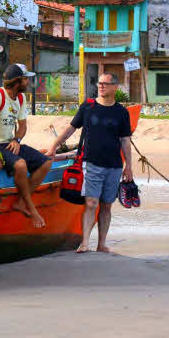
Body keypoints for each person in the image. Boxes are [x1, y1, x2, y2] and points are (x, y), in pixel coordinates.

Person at [45, 73, 133, 253]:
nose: (101, 86)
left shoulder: (121, 112)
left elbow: (125, 140)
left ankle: (101, 244)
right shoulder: (88, 106)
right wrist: (54, 146)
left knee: (106, 205)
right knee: (91, 202)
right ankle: (85, 243)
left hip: (114, 165)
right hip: (91, 162)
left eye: (105, 84)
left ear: (115, 87)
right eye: (99, 83)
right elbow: (71, 128)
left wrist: (129, 167)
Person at [0, 63, 51, 228]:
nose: (28, 82)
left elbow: (22, 126)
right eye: (25, 79)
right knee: (20, 165)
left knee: (46, 162)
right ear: (17, 81)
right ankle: (32, 208)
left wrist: (17, 140)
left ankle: (21, 202)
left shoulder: (20, 99)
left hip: (9, 144)